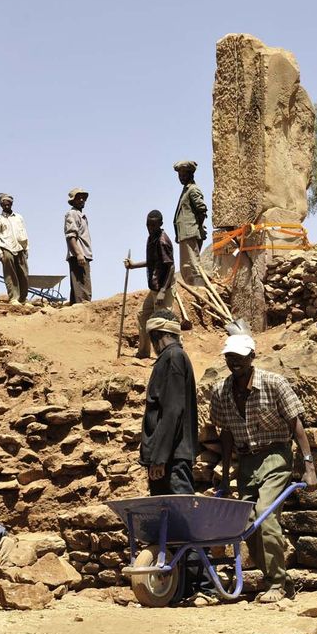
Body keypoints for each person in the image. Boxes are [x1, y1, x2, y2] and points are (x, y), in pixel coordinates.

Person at [210, 333, 317, 600]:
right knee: (247, 522)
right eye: (229, 357)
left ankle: (275, 584)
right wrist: (225, 476)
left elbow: (296, 425)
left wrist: (309, 465)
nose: (234, 362)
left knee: (265, 515)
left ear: (252, 357)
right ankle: (280, 578)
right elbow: (225, 435)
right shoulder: (222, 391)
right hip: (246, 461)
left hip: (275, 457)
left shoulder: (273, 383)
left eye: (239, 357)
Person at [139, 309, 198, 495]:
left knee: (182, 517)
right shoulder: (169, 358)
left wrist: (159, 457)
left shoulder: (173, 357)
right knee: (167, 519)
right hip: (167, 458)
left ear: (155, 334)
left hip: (172, 460)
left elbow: (173, 410)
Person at [124, 210, 176, 359]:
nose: (150, 228)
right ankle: (143, 352)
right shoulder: (152, 238)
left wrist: (162, 291)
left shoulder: (162, 241)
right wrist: (133, 265)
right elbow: (153, 262)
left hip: (163, 288)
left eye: (153, 225)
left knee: (163, 322)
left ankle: (169, 356)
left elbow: (171, 267)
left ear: (160, 224)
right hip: (155, 286)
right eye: (148, 225)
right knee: (143, 315)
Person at [172, 160, 208, 286]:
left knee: (193, 264)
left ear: (190, 175)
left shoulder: (193, 190)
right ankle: (193, 288)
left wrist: (198, 227)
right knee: (186, 265)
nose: (181, 178)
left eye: (183, 175)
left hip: (190, 232)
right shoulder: (186, 190)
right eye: (179, 175)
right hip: (184, 233)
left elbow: (202, 210)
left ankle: (200, 288)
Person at [0, 193, 29, 305]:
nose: (6, 205)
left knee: (24, 273)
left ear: (11, 203)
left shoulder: (18, 217)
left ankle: (23, 299)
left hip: (20, 247)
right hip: (6, 247)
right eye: (4, 203)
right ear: (1, 204)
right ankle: (14, 298)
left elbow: (24, 232)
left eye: (8, 202)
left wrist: (26, 248)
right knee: (10, 273)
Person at [64, 187, 93, 304]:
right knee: (83, 291)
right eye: (78, 198)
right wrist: (79, 254)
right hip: (79, 255)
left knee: (78, 289)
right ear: (73, 200)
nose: (81, 200)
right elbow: (71, 236)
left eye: (83, 198)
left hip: (83, 254)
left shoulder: (80, 215)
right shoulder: (72, 214)